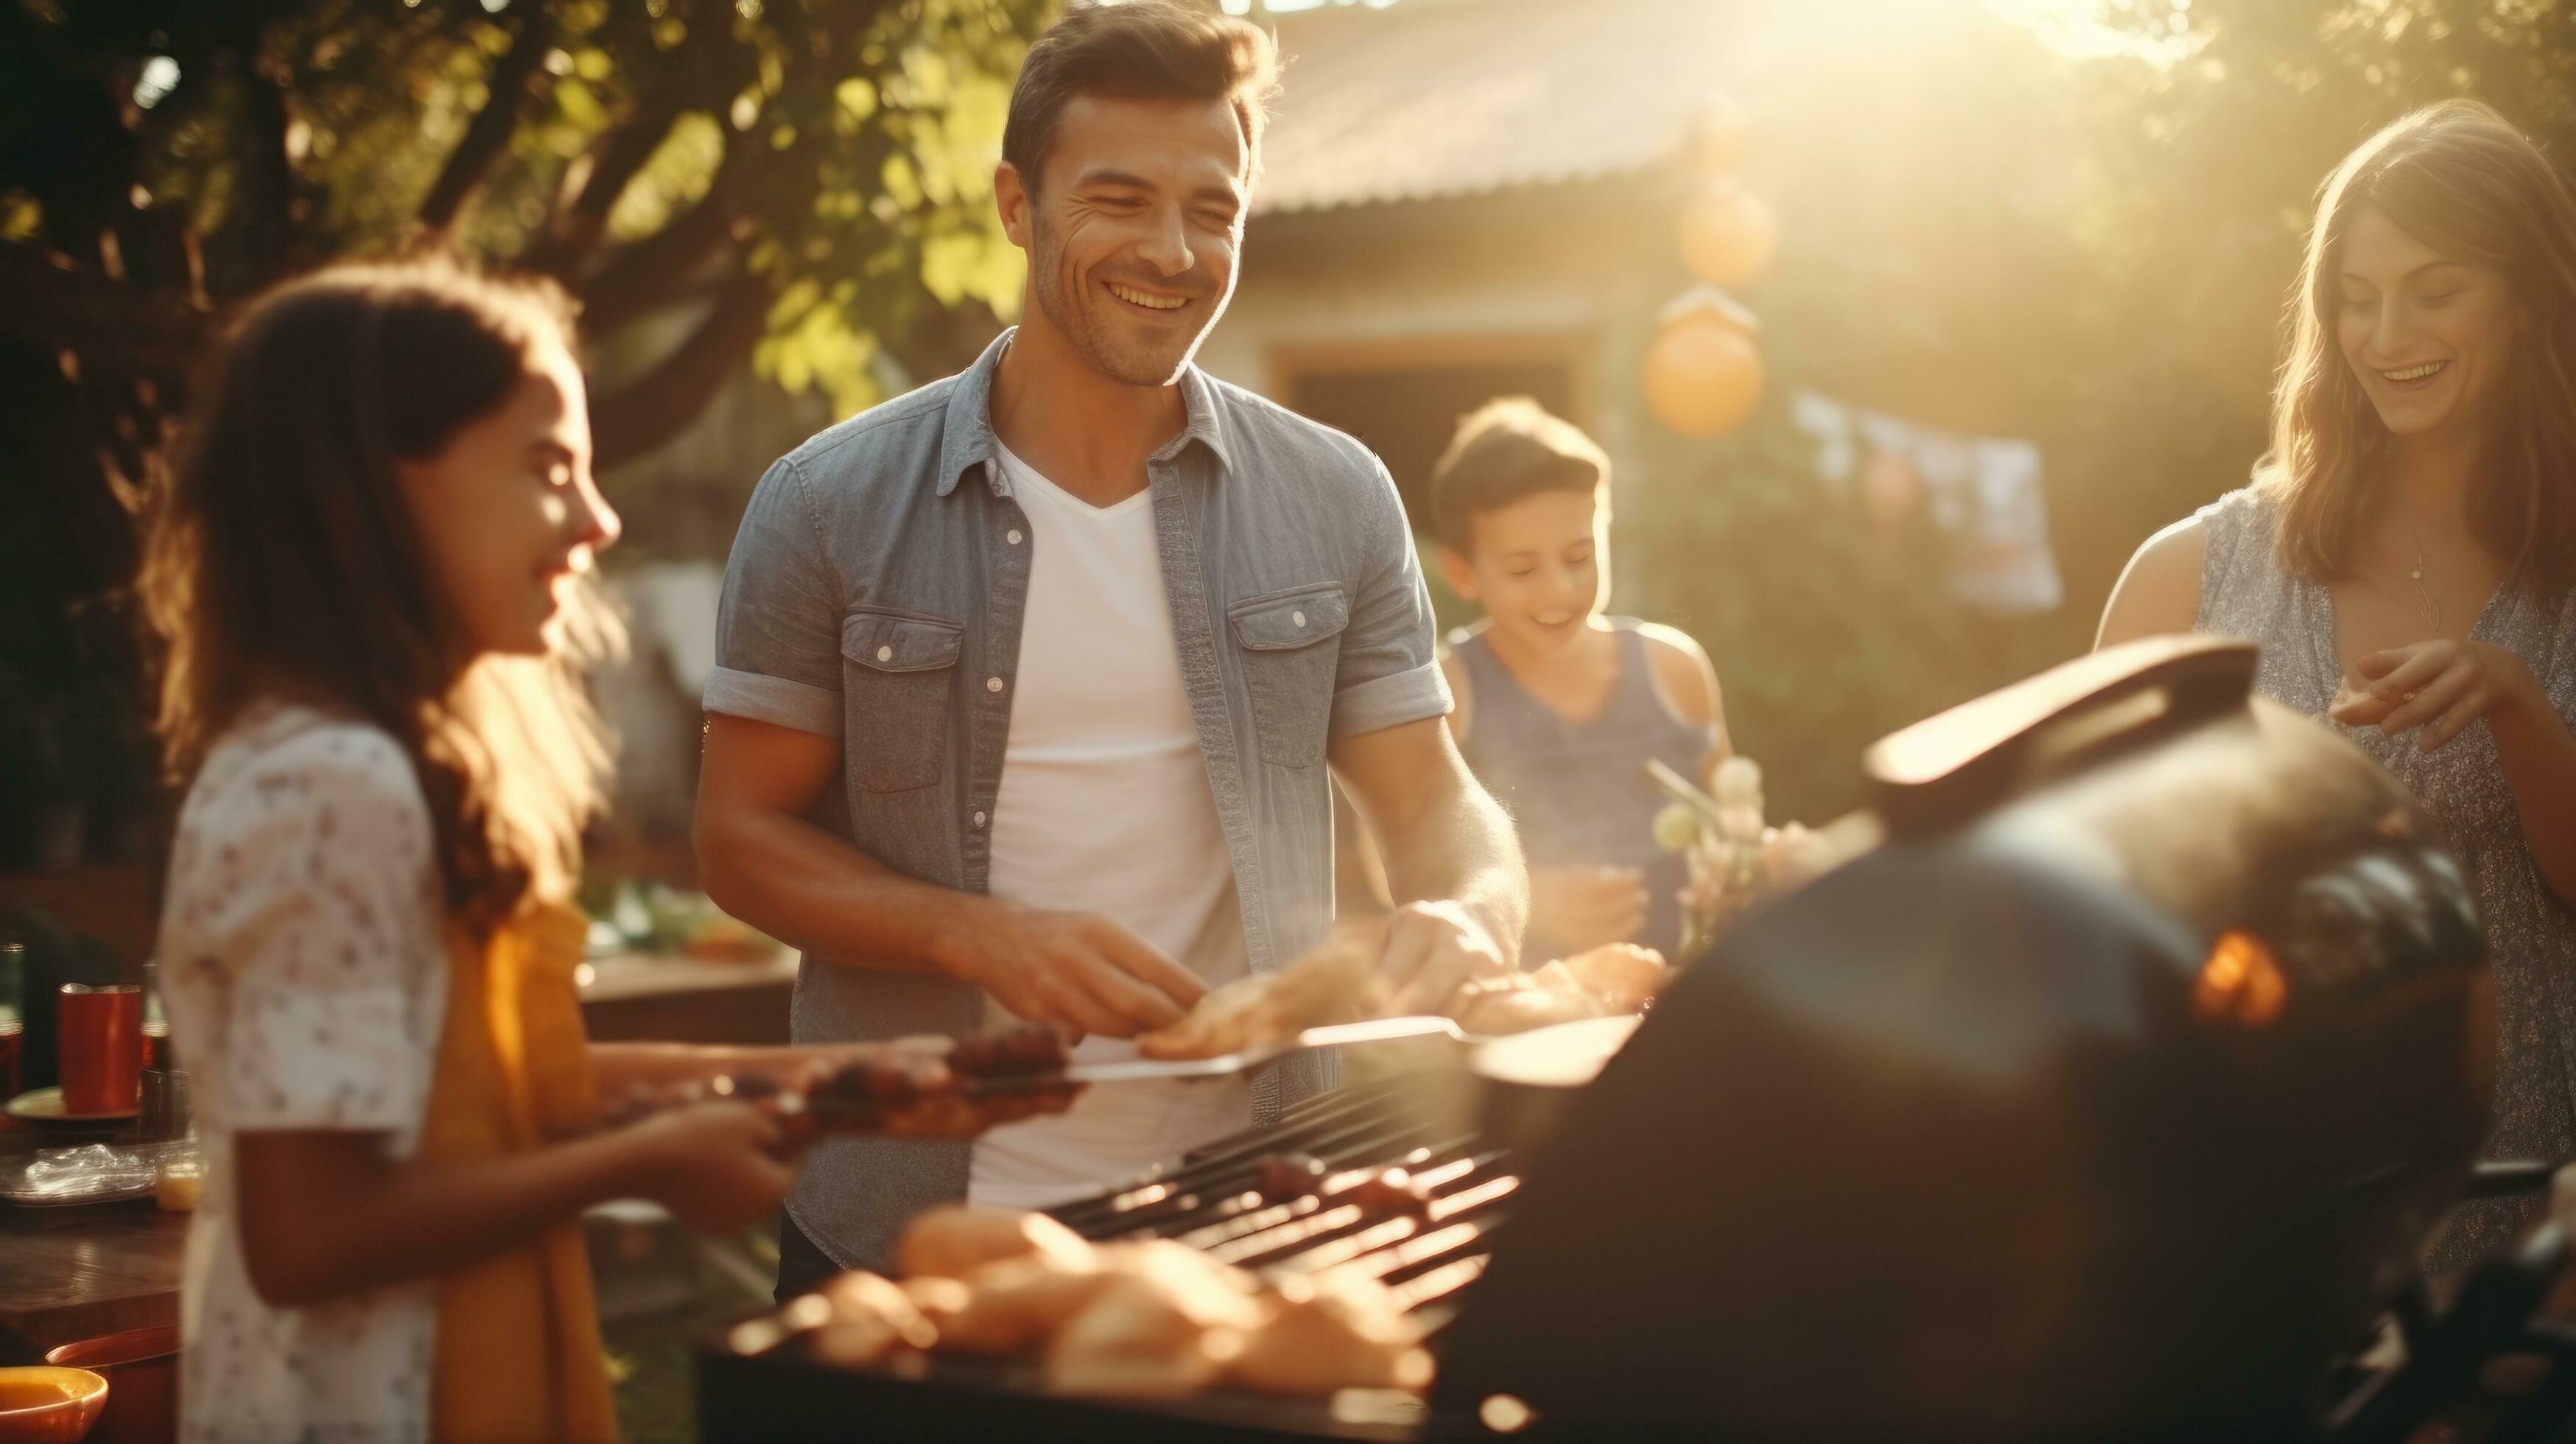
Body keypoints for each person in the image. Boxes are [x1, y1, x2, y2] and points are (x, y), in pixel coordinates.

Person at [139, 257, 1057, 1443]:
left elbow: (500, 1088)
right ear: (371, 490)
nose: (599, 519)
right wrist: (650, 1161)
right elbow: (310, 1233)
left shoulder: (379, 771)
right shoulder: (329, 785)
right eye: (546, 469)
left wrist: (851, 1087)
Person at [694, 0, 1528, 1291]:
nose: (1173, 250)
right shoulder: (827, 502)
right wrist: (978, 937)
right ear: (1017, 207)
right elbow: (738, 839)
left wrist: (1473, 908)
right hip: (910, 1224)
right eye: (1120, 198)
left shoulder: (1337, 494)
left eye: (1214, 209)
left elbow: (1437, 802)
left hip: (1253, 1207)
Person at [2097, 100, 2576, 1268]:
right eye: (2355, 297)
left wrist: (2513, 704)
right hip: (2260, 1239)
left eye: (2434, 287)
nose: (2385, 333)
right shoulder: (2187, 575)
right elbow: (2083, 915)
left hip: (2533, 1242)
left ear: (2526, 297)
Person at [1430, 398, 1729, 959]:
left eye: (1579, 557)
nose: (1560, 590)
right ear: (1462, 572)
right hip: (1535, 1011)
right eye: (1523, 569)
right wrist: (1526, 898)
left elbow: (1729, 827)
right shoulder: (1449, 694)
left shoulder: (1674, 670)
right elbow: (1404, 865)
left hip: (1684, 988)